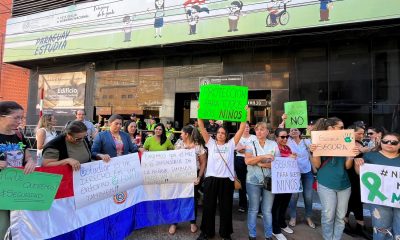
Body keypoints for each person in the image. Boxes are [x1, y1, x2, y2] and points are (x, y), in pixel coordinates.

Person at [196, 112, 246, 240]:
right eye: (219, 132)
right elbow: (201, 126)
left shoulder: (231, 144)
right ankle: (206, 232)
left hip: (226, 181)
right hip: (211, 180)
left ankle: (226, 233)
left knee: (226, 208)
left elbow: (241, 128)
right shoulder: (210, 143)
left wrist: (244, 113)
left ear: (227, 135)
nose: (220, 134)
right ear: (216, 134)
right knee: (208, 207)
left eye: (223, 133)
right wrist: (200, 112)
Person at [309, 117, 359, 240]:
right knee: (328, 214)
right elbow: (317, 165)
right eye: (341, 127)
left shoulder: (347, 140)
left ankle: (336, 238)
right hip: (326, 182)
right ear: (330, 128)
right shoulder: (318, 141)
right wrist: (313, 152)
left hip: (344, 184)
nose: (344, 129)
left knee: (341, 216)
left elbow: (347, 166)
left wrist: (351, 157)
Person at [0, 101, 36, 239]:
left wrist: (31, 162)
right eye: (16, 117)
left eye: (22, 118)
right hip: (2, 190)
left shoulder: (19, 135)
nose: (20, 121)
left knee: (16, 227)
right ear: (2, 116)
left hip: (17, 188)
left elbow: (27, 156)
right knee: (3, 227)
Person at [354, 132, 400, 240]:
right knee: (381, 229)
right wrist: (358, 163)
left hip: (398, 199)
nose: (389, 144)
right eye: (386, 141)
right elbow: (360, 173)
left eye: (394, 142)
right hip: (379, 200)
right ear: (381, 142)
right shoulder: (370, 156)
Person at [168, 125, 207, 235]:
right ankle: (174, 223)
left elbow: (203, 162)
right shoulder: (179, 144)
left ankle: (192, 222)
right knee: (178, 198)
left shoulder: (198, 146)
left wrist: (199, 176)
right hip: (179, 175)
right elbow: (172, 158)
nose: (180, 135)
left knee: (192, 199)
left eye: (182, 133)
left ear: (187, 134)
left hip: (193, 175)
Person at [244, 121, 278, 240]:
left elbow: (277, 164)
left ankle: (268, 235)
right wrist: (264, 157)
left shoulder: (274, 144)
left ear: (267, 132)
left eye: (262, 129)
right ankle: (252, 234)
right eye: (257, 129)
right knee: (253, 209)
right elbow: (248, 161)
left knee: (267, 210)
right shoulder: (250, 144)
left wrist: (260, 164)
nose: (259, 131)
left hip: (270, 180)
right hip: (253, 181)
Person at [343, 124, 371, 239]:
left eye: (362, 133)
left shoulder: (360, 142)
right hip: (349, 176)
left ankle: (357, 226)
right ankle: (350, 225)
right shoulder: (347, 141)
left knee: (358, 199)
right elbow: (346, 162)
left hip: (360, 176)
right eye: (359, 133)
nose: (361, 135)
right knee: (351, 199)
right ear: (351, 132)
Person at [272, 128, 297, 240]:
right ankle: (275, 228)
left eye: (286, 136)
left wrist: (293, 158)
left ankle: (282, 223)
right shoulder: (274, 147)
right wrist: (288, 158)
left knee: (285, 203)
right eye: (282, 137)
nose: (285, 138)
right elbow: (273, 161)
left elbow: (291, 163)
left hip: (288, 181)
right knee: (276, 205)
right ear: (276, 138)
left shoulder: (288, 147)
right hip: (278, 181)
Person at [287, 128, 315, 229]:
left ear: (300, 132)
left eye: (296, 130)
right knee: (294, 196)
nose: (294, 131)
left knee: (308, 196)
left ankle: (308, 217)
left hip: (307, 172)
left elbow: (315, 146)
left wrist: (310, 131)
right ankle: (293, 217)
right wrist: (282, 121)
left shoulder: (307, 141)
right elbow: (278, 134)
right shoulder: (287, 141)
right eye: (292, 130)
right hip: (294, 173)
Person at [235, 122, 257, 212]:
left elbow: (255, 150)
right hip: (240, 161)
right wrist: (249, 148)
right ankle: (242, 205)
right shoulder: (238, 137)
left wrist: (244, 148)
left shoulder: (254, 137)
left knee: (252, 183)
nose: (246, 128)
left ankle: (254, 206)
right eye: (245, 126)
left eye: (248, 127)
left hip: (252, 161)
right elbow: (238, 149)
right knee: (242, 183)